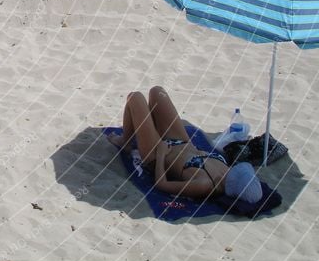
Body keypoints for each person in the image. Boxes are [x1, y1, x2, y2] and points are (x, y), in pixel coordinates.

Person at [108, 86, 262, 203]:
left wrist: (161, 154)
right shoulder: (227, 171)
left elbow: (161, 184)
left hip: (156, 155)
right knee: (157, 92)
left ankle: (126, 142)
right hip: (181, 141)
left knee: (135, 98)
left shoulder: (204, 185)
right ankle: (148, 126)